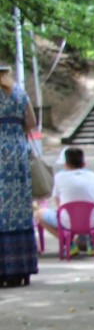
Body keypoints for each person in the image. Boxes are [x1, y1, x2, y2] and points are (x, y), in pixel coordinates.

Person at [0, 63, 39, 287]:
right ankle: (21, 269)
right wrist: (15, 131)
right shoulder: (19, 92)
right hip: (17, 152)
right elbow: (32, 122)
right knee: (20, 207)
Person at [36, 146, 94, 255]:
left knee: (39, 214)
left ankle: (69, 244)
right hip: (92, 220)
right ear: (83, 163)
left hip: (66, 222)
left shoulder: (59, 177)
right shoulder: (93, 176)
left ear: (66, 163)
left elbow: (58, 202)